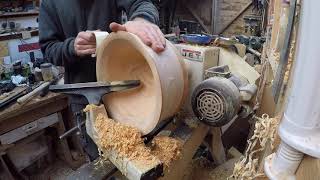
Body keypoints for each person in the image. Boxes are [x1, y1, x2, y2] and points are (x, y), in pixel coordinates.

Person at [39, 0, 165, 160]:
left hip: (121, 89)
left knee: (137, 151)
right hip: (85, 98)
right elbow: (49, 49)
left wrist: (142, 20)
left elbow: (141, 3)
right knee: (99, 158)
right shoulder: (50, 3)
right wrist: (71, 48)